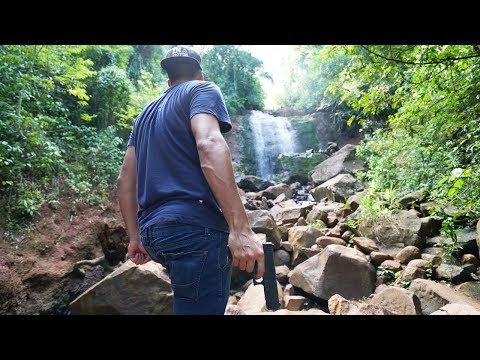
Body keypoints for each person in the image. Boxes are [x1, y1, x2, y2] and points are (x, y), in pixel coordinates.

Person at [117, 46, 265, 315]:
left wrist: (135, 237)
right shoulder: (202, 90)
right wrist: (241, 230)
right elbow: (209, 143)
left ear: (168, 81)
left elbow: (125, 179)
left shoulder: (144, 116)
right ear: (200, 74)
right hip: (195, 228)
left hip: (154, 232)